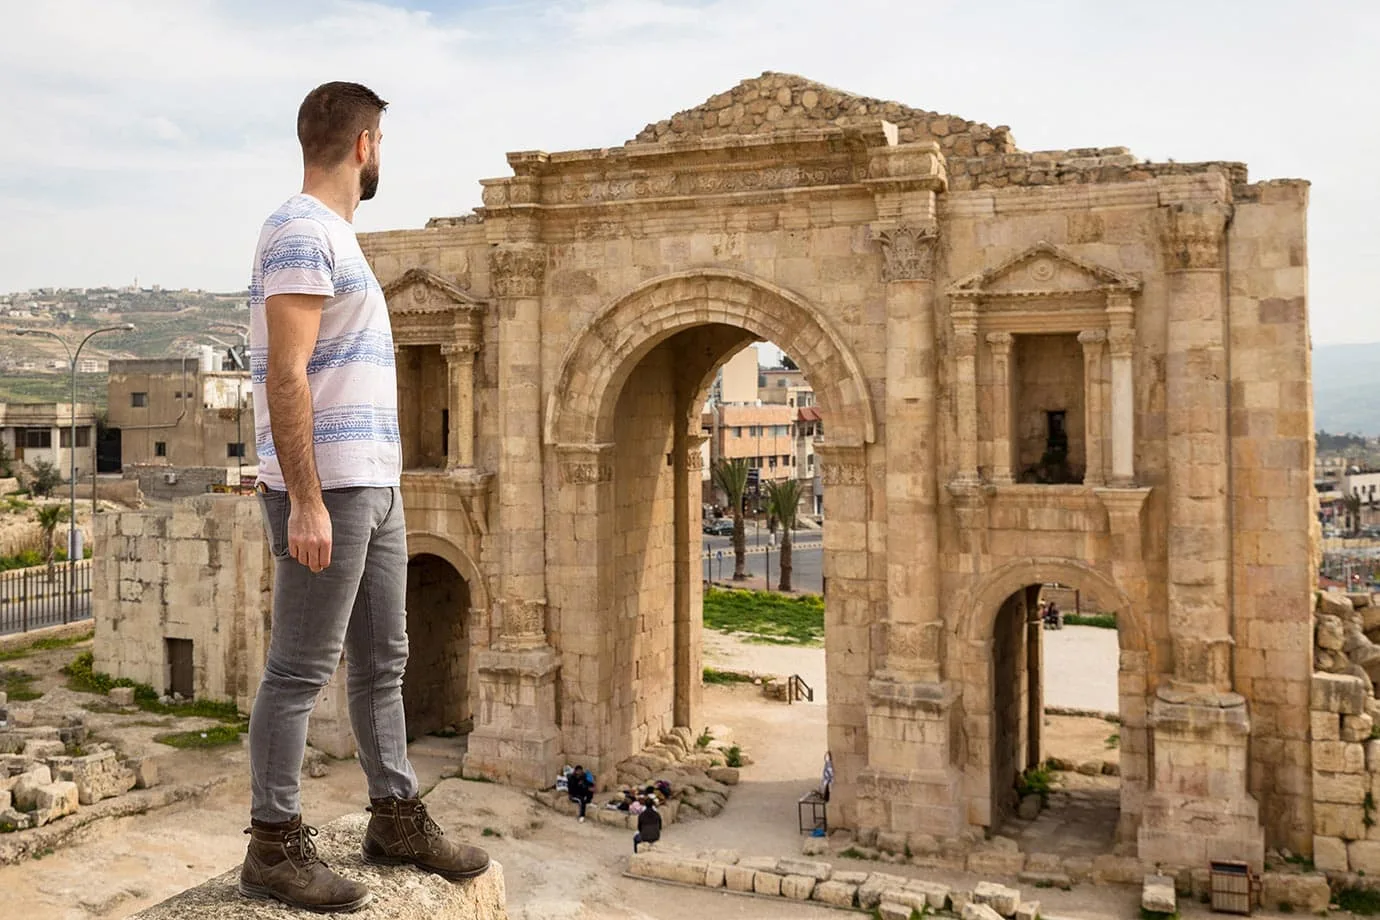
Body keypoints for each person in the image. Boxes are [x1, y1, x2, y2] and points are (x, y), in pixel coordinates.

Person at [238, 81, 490, 914]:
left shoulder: (337, 238)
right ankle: (273, 848)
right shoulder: (301, 230)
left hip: (375, 487)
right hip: (332, 493)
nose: (382, 152)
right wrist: (305, 499)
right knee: (299, 670)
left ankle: (396, 815)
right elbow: (285, 374)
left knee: (385, 661)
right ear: (365, 144)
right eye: (381, 141)